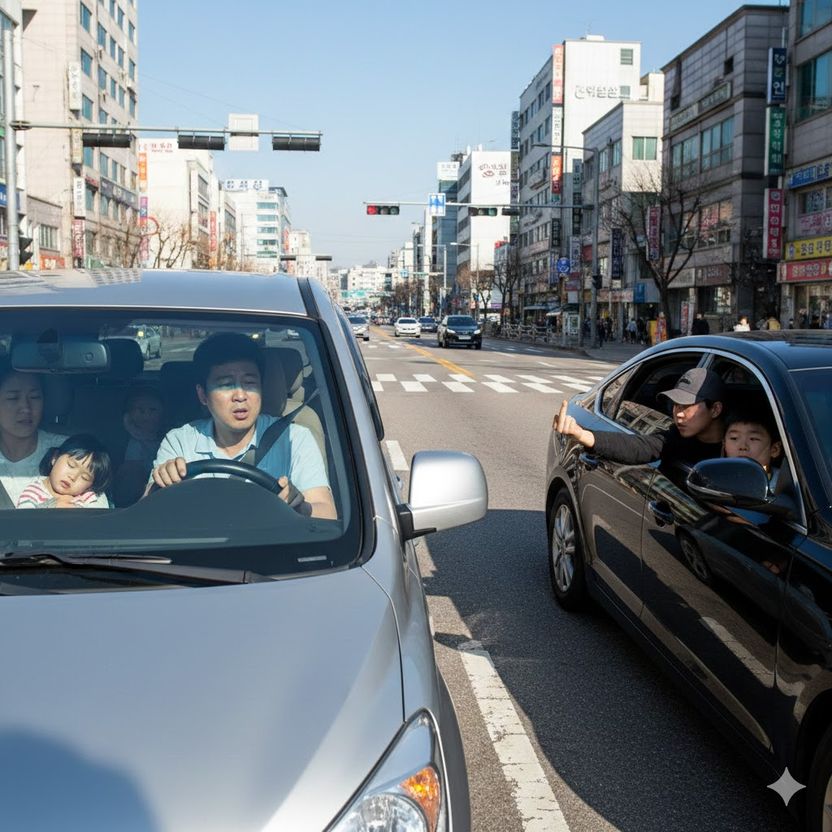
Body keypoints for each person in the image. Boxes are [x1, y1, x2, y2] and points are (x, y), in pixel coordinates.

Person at [148, 332, 336, 519]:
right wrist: (162, 482)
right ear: (203, 395)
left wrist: (300, 507)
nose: (240, 395)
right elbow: (145, 514)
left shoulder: (294, 438)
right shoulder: (180, 440)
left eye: (250, 383)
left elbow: (327, 514)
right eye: (225, 385)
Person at [555, 367, 725, 467]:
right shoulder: (676, 439)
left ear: (715, 409)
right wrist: (582, 434)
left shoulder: (739, 444)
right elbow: (638, 446)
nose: (678, 414)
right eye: (675, 405)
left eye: (687, 406)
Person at [0, 364, 107, 508]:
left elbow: (98, 511)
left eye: (34, 397)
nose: (26, 408)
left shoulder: (71, 452)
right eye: (13, 398)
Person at [16, 434, 112, 509]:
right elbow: (24, 521)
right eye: (71, 465)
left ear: (90, 486)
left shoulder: (88, 497)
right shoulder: (33, 492)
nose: (73, 477)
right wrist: (51, 506)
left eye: (85, 477)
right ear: (55, 458)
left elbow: (97, 525)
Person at [722, 408, 782, 481]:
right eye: (734, 438)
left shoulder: (786, 485)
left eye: (753, 439)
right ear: (724, 444)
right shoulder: (714, 480)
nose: (743, 446)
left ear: (774, 449)